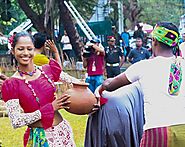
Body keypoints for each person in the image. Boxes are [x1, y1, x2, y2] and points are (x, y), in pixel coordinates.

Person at [99, 22, 185, 146]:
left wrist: (101, 88)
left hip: (157, 131)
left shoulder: (144, 66)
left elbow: (111, 85)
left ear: (154, 41)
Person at [1, 31, 76, 146]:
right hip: (40, 138)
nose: (25, 53)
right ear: (13, 51)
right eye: (20, 49)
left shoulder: (47, 70)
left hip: (62, 133)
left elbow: (75, 82)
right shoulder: (12, 84)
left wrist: (94, 101)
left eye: (29, 49)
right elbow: (16, 121)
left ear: (34, 49)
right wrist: (50, 108)